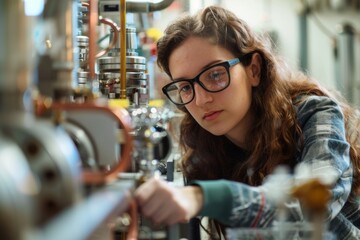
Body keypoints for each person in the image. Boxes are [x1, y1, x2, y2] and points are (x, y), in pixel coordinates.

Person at [134, 5, 360, 239]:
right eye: (185, 87)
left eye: (214, 75)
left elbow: (315, 203)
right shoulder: (206, 149)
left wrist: (206, 197)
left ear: (253, 70)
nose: (201, 100)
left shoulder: (314, 114)